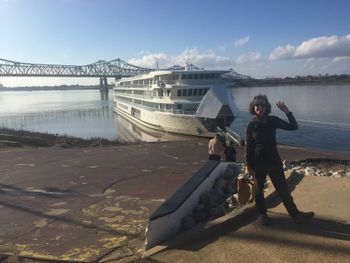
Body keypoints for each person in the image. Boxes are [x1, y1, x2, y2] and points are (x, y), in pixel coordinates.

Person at [245, 94, 314, 225]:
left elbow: (293, 127)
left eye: (262, 105)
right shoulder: (250, 125)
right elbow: (249, 147)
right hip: (258, 162)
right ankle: (263, 215)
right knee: (259, 191)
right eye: (257, 105)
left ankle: (295, 214)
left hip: (274, 161)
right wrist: (248, 165)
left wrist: (287, 112)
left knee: (283, 189)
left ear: (267, 108)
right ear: (253, 107)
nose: (259, 107)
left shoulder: (273, 120)